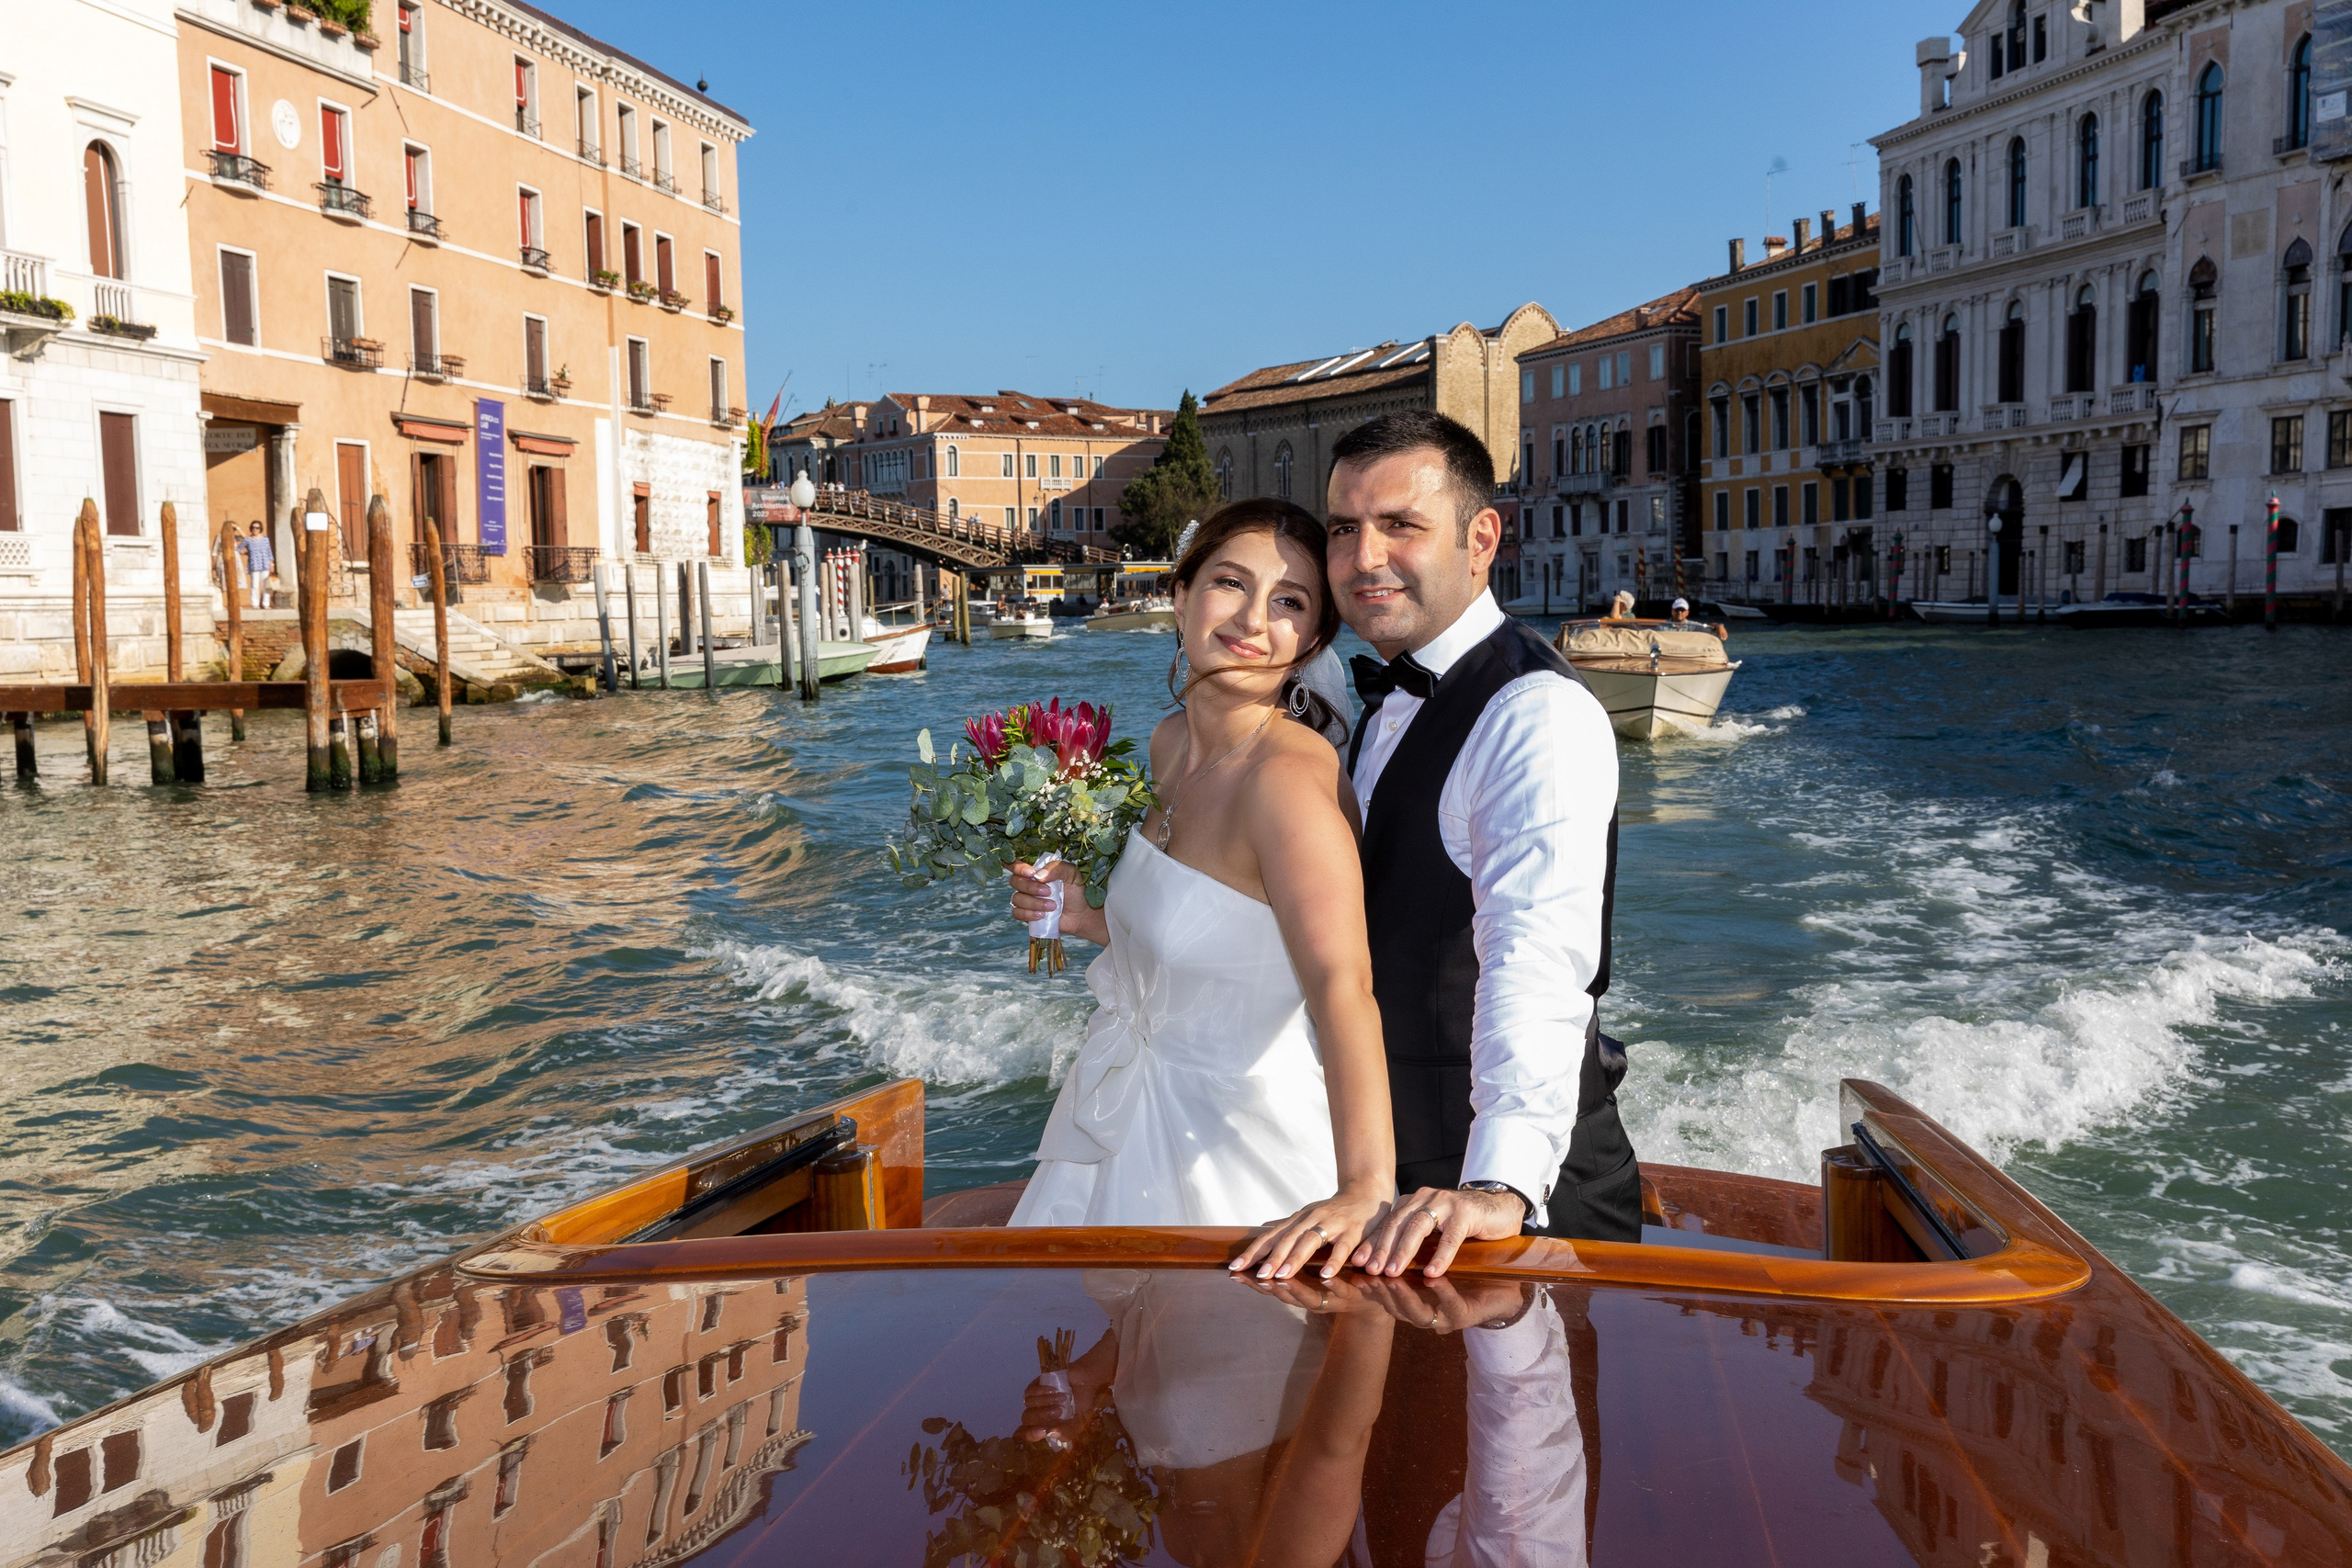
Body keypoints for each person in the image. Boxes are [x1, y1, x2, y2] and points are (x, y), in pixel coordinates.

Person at [1270, 408, 1638, 1280]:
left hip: (1515, 1217)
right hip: (1391, 1196)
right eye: (1346, 529)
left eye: (1401, 525)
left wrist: (1500, 1182)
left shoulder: (1534, 713)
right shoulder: (1377, 705)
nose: (1365, 558)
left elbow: (1536, 960)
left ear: (1481, 540)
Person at [1004, 498, 1396, 1273]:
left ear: (1311, 639)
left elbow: (1344, 987)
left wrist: (1364, 1188)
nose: (1253, 618)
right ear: (1180, 597)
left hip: (1232, 1153)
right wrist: (1093, 917)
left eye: (1288, 601)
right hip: (1123, 1118)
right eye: (1230, 583)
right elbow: (1225, 942)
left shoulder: (1285, 784)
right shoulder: (1169, 741)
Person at [240, 522, 274, 610]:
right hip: (254, 565)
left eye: (257, 528)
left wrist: (272, 564)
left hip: (265, 564)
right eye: (253, 527)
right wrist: (247, 553)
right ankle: (255, 604)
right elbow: (239, 549)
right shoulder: (248, 540)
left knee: (266, 585)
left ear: (260, 529)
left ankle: (266, 604)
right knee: (254, 585)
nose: (255, 529)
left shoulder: (265, 539)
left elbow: (269, 552)